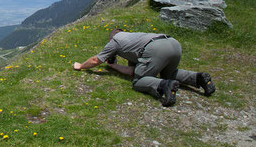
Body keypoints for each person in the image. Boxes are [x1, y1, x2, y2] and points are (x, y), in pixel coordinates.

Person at [73, 29, 215, 107]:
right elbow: (132, 70)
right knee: (169, 73)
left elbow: (95, 60)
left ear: (111, 38)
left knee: (138, 82)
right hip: (172, 43)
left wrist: (81, 66)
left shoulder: (115, 41)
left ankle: (164, 86)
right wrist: (115, 66)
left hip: (155, 50)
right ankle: (198, 78)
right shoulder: (132, 37)